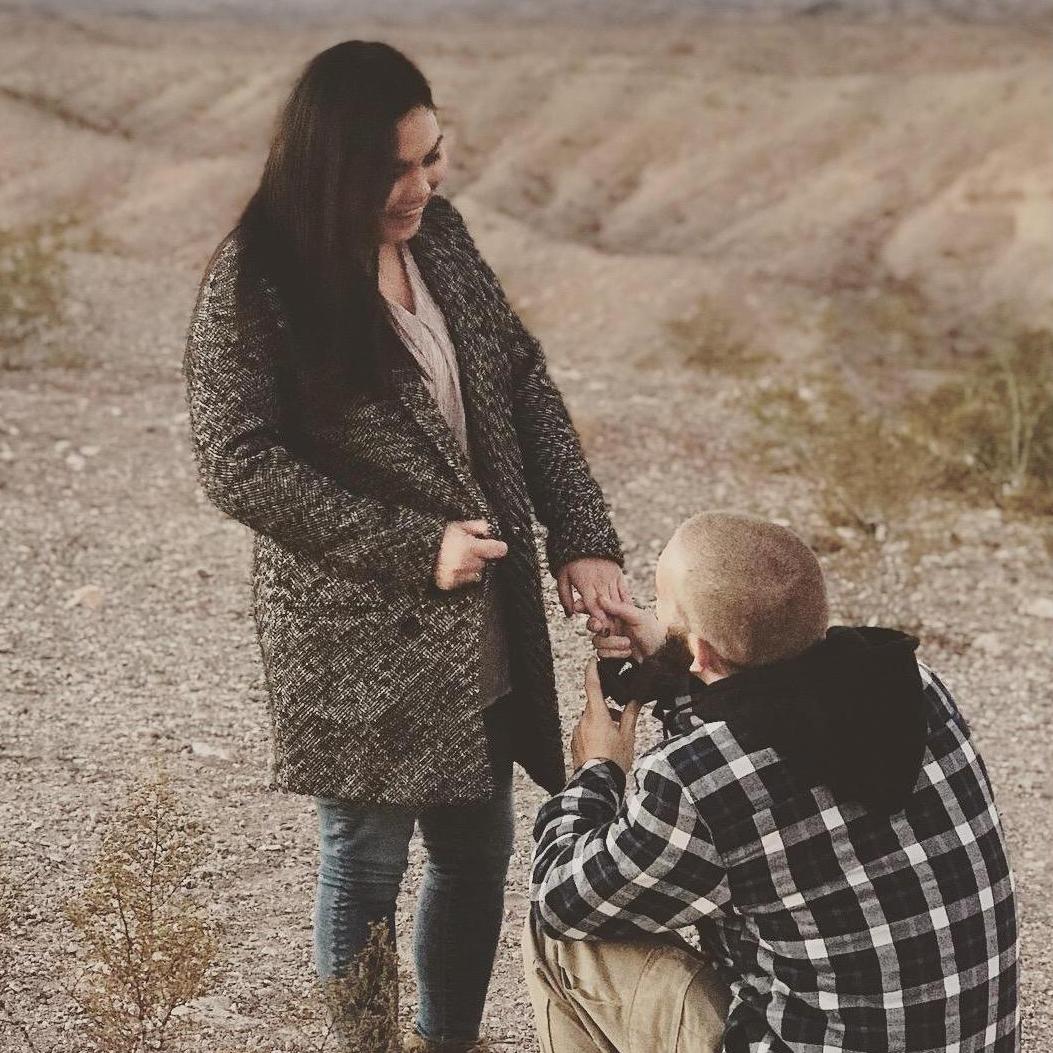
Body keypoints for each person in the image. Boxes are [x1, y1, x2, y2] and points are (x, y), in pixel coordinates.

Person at [183, 40, 631, 1052]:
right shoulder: (258, 280)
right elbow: (236, 463)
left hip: (482, 618)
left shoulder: (443, 237)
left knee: (478, 855)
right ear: (329, 163)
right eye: (393, 168)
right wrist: (412, 546)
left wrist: (582, 535)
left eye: (431, 158)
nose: (420, 186)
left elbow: (520, 382)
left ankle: (448, 1041)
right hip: (357, 634)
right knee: (366, 862)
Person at [525, 511, 1019, 1053]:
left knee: (563, 938)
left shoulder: (697, 779)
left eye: (661, 607)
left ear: (701, 651)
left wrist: (599, 769)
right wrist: (676, 658)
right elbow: (768, 708)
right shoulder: (915, 687)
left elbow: (561, 899)